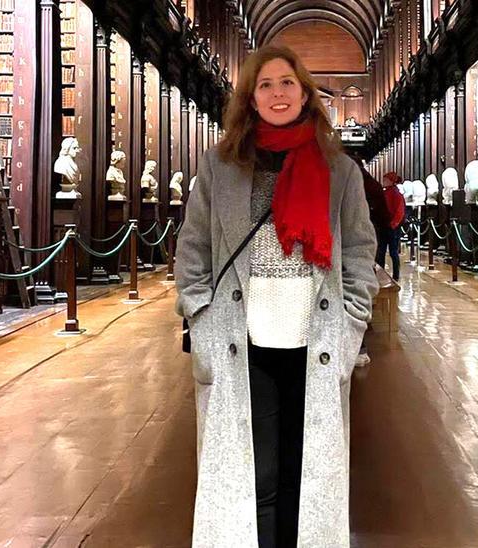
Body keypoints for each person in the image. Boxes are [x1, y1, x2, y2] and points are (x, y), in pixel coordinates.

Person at [174, 45, 378, 547]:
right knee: (254, 470)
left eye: (287, 82)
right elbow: (192, 249)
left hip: (318, 338)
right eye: (264, 85)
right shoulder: (219, 167)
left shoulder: (339, 171)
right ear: (250, 98)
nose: (277, 93)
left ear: (306, 93)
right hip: (239, 339)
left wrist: (352, 324)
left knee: (304, 471)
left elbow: (359, 252)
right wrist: (199, 315)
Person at [377, 172, 406, 281]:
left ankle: (395, 276)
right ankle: (381, 274)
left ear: (391, 181)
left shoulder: (396, 194)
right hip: (385, 226)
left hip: (392, 227)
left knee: (393, 252)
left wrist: (393, 224)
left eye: (385, 180)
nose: (383, 182)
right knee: (381, 252)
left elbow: (400, 211)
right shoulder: (385, 193)